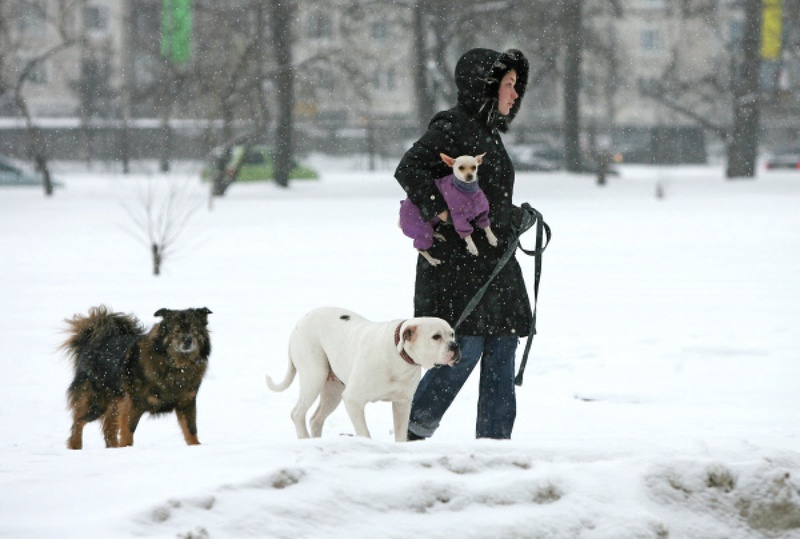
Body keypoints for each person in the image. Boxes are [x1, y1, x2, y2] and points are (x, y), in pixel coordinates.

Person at [394, 48, 533, 440]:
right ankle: (409, 434)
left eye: (516, 86)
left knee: (502, 353)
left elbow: (480, 197)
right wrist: (439, 215)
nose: (515, 94)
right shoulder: (453, 125)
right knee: (462, 351)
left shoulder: (488, 134)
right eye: (508, 85)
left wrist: (509, 217)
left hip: (496, 266)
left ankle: (493, 449)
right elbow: (410, 169)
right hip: (459, 269)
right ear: (484, 89)